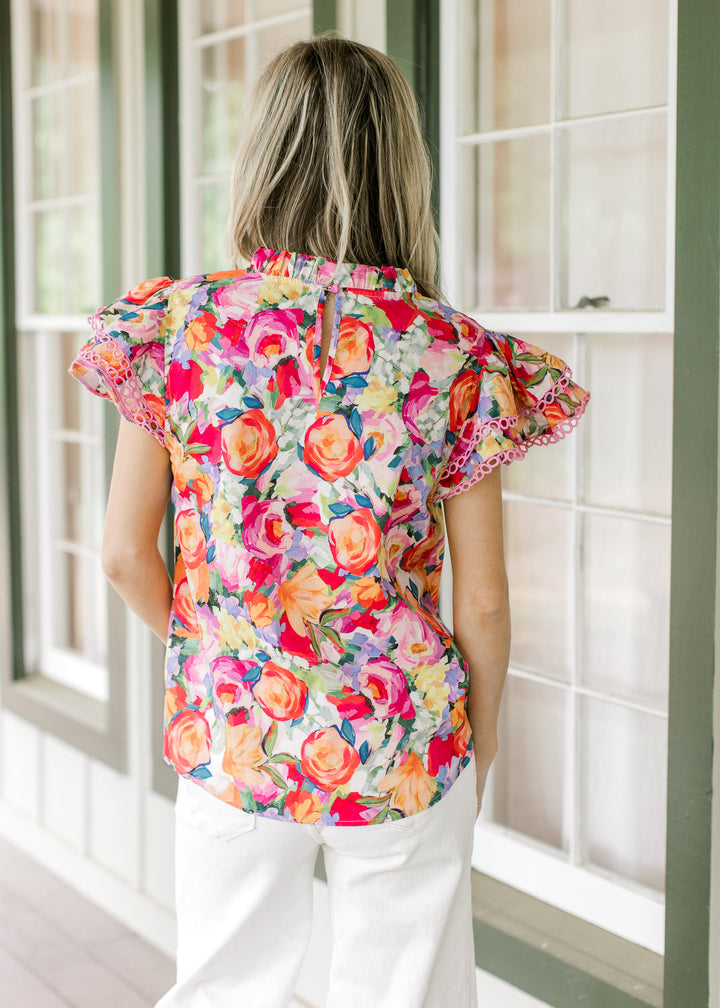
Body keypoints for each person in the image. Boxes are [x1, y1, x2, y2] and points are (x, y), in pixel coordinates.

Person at [68, 33, 590, 1008]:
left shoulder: (184, 331)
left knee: (223, 989)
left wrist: (228, 665)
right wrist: (468, 749)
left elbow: (122, 556)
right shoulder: (447, 354)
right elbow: (482, 602)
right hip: (402, 734)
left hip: (237, 731)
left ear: (262, 161)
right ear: (401, 166)